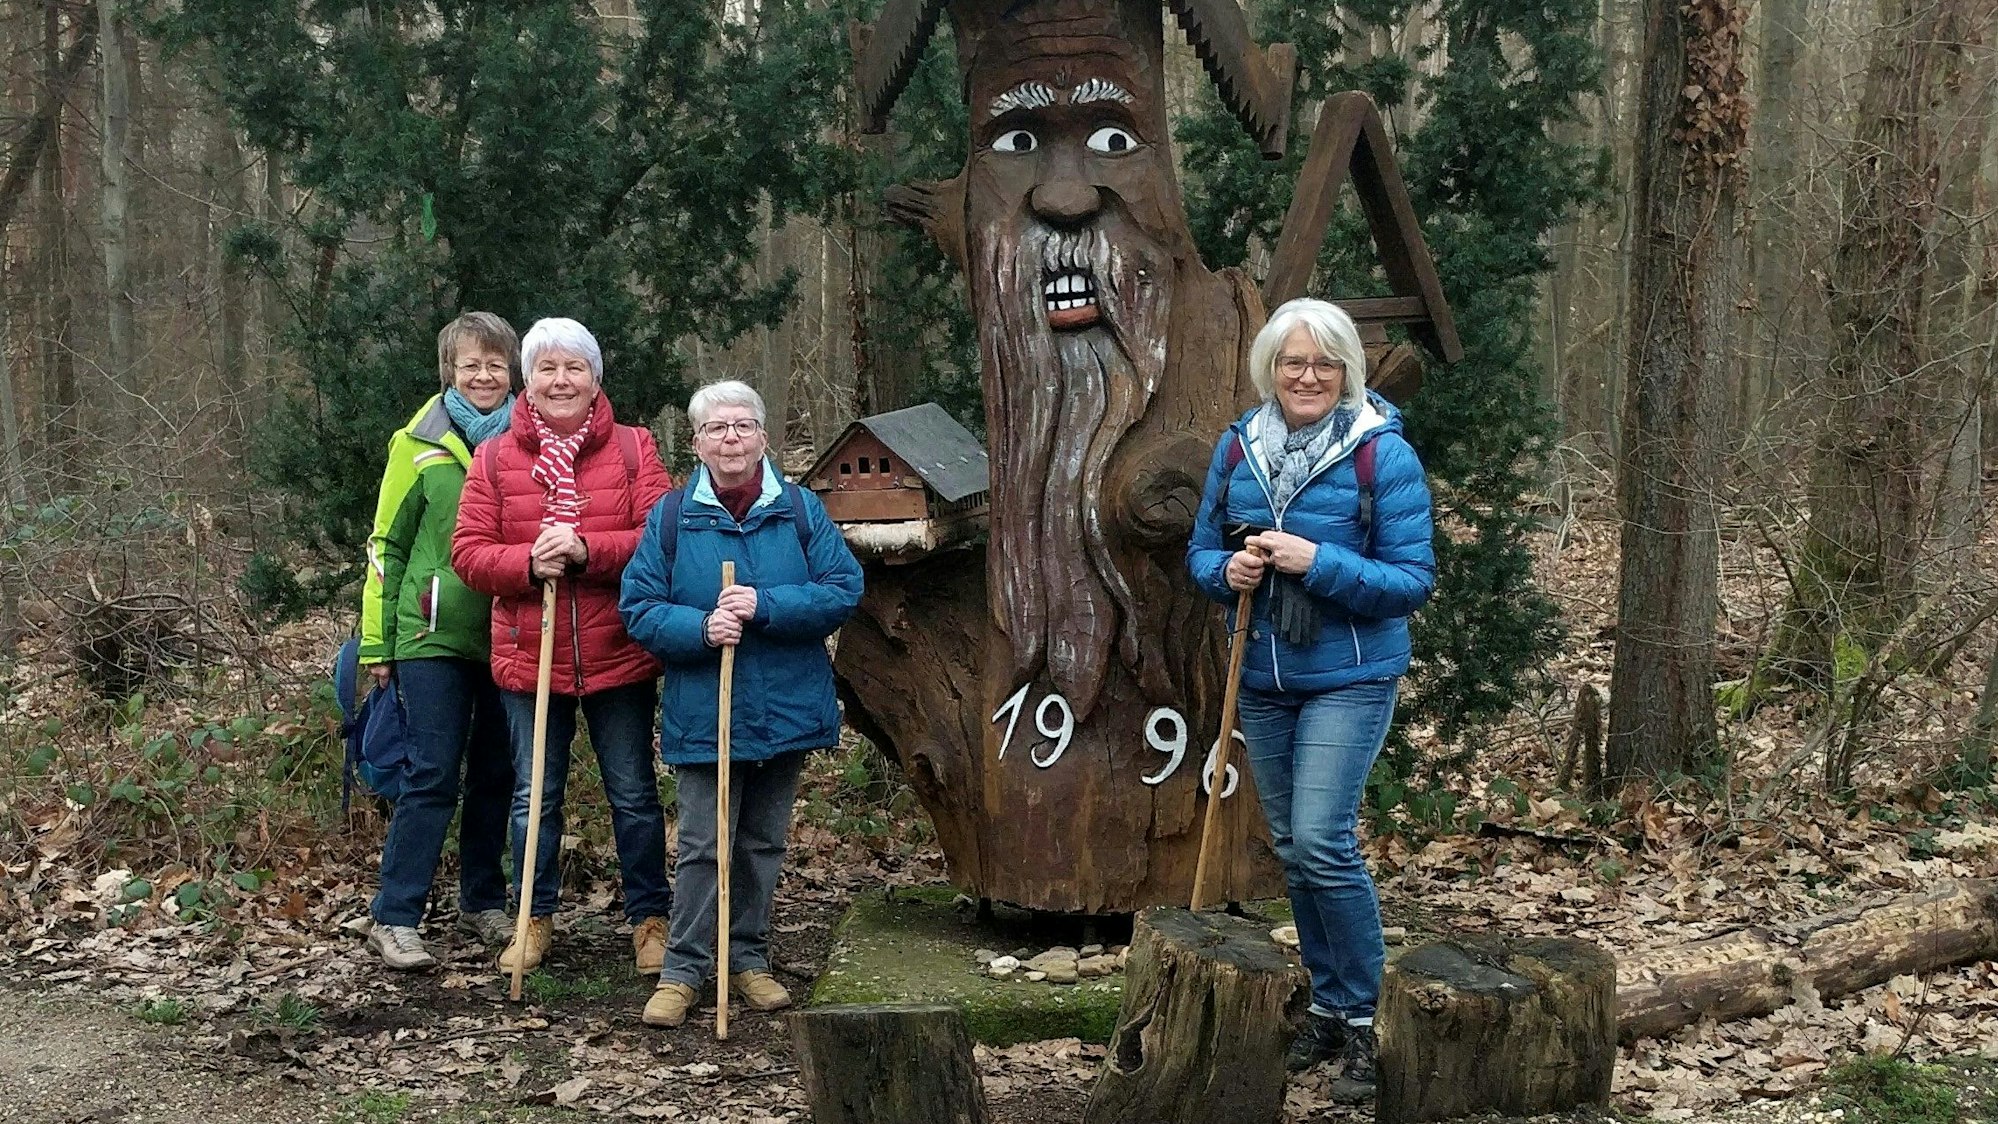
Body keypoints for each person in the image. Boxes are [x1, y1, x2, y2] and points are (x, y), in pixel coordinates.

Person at [1185, 298, 1436, 1101]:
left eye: (1325, 363)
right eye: (1294, 362)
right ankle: (1328, 1008)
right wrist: (1227, 575)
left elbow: (1411, 582)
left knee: (1325, 840)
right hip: (1261, 675)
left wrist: (1313, 559)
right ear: (1271, 369)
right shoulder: (1239, 447)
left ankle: (1366, 1020)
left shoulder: (1381, 456)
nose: (1308, 375)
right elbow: (1198, 551)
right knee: (1292, 846)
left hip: (1351, 676)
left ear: (1347, 373)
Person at [618, 380, 862, 1028]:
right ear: (696, 442)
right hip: (705, 707)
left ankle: (749, 958)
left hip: (785, 704)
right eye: (717, 428)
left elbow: (843, 587)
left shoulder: (801, 510)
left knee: (761, 843)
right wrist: (699, 629)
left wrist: (767, 605)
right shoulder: (672, 517)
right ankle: (683, 970)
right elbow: (638, 607)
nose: (731, 438)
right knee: (703, 842)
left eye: (743, 426)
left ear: (762, 436)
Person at [450, 317, 676, 975]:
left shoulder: (633, 449)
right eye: (546, 368)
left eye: (573, 367)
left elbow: (660, 538)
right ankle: (532, 919)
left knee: (632, 794)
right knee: (534, 797)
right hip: (530, 655)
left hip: (620, 651)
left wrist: (586, 551)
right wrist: (527, 563)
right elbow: (468, 553)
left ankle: (650, 921)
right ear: (528, 379)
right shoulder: (494, 457)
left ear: (595, 377)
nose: (560, 380)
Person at [357, 312, 522, 970]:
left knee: (497, 775)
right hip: (429, 637)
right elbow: (386, 545)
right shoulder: (417, 442)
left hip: (511, 632)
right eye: (469, 364)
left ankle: (483, 900)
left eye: (495, 364)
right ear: (449, 370)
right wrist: (377, 644)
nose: (483, 376)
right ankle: (395, 916)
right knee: (431, 774)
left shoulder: (532, 440)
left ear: (512, 371)